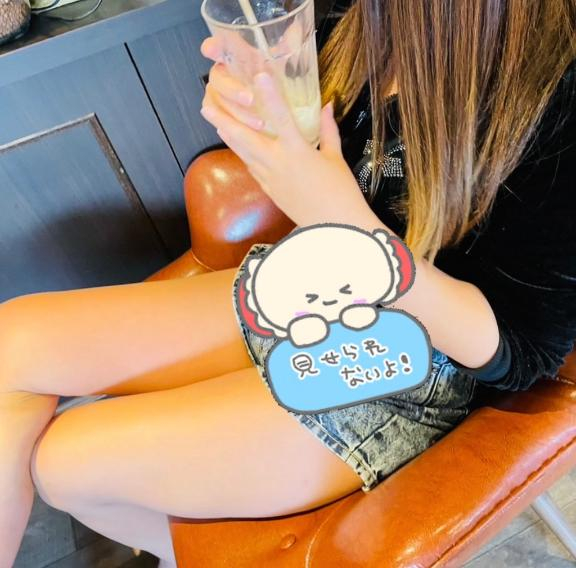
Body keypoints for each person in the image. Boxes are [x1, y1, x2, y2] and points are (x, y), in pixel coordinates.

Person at [1, 1, 575, 566]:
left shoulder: (555, 91)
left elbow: (520, 352)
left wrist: (349, 221)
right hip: (313, 279)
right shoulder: (359, 22)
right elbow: (322, 161)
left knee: (66, 465)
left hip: (420, 354)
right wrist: (256, 109)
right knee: (13, 342)